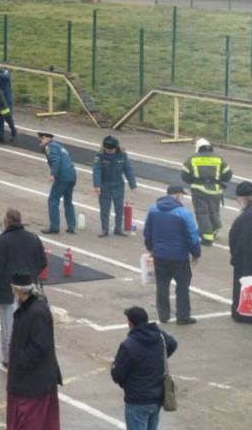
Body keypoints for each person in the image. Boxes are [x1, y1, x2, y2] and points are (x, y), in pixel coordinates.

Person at [0, 272, 62, 430]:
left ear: (17, 290)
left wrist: (21, 363)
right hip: (40, 375)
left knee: (27, 415)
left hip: (33, 376)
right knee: (42, 415)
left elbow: (39, 346)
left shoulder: (35, 311)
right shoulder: (34, 307)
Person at [111, 306, 177, 430]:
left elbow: (117, 374)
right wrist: (158, 359)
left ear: (130, 323)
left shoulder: (129, 345)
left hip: (137, 400)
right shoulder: (159, 336)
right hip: (156, 397)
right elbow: (173, 344)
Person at [0, 209, 47, 365]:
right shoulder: (33, 238)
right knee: (31, 325)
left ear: (7, 221)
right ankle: (28, 354)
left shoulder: (1, 241)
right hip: (30, 288)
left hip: (8, 291)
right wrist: (32, 274)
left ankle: (9, 358)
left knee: (9, 327)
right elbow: (42, 262)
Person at [143, 186, 201, 325]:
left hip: (159, 254)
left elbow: (147, 231)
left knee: (162, 285)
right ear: (178, 195)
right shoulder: (184, 213)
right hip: (179, 256)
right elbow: (192, 236)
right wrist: (195, 253)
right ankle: (183, 316)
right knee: (182, 286)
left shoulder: (153, 209)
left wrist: (151, 248)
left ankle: (163, 315)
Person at [182, 138, 232, 249]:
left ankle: (207, 237)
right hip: (216, 190)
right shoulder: (218, 158)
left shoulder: (192, 159)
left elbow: (185, 175)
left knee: (202, 212)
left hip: (198, 189)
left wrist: (193, 181)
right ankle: (215, 226)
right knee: (214, 210)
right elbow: (228, 175)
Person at [228, 182, 252, 323]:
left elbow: (237, 238)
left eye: (238, 198)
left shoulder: (246, 216)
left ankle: (242, 314)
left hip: (245, 259)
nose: (237, 201)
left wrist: (234, 256)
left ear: (244, 198)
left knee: (243, 287)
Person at [93, 135, 138, 237]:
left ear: (116, 147)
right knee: (105, 209)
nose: (109, 151)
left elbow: (128, 170)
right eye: (107, 149)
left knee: (119, 209)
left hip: (118, 185)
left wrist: (133, 185)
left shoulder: (122, 155)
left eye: (111, 149)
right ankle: (105, 229)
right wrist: (97, 185)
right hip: (104, 185)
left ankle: (118, 229)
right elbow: (96, 170)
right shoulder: (99, 156)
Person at [38, 132, 77, 234]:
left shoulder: (50, 147)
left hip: (62, 177)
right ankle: (71, 226)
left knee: (53, 200)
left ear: (45, 138)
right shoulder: (59, 146)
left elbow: (56, 160)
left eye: (40, 140)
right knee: (68, 201)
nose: (39, 143)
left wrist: (53, 174)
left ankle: (54, 227)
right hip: (72, 175)